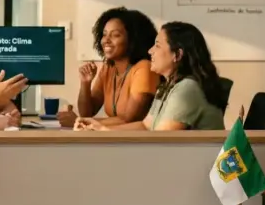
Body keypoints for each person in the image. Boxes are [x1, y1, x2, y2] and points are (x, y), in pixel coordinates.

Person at [75, 21, 225, 131]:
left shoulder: (187, 89)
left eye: (157, 45)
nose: (150, 51)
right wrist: (100, 129)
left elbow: (161, 142)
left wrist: (103, 132)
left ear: (177, 54)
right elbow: (145, 126)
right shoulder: (168, 85)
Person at [57, 7, 160, 128]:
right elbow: (88, 112)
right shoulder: (109, 67)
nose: (106, 40)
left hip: (137, 142)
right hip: (113, 138)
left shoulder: (144, 68)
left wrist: (80, 122)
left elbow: (130, 119)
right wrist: (85, 83)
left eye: (115, 35)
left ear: (133, 39)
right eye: (104, 34)